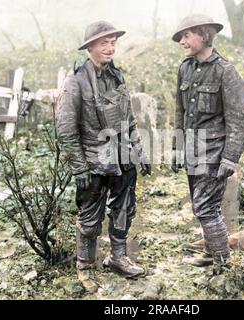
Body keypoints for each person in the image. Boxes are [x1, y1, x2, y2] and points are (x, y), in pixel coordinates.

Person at [56, 21, 151, 293]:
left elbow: (129, 119)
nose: (110, 47)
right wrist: (79, 167)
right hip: (94, 163)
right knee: (89, 218)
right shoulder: (75, 82)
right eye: (103, 43)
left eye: (113, 42)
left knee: (124, 210)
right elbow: (65, 129)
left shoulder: (117, 77)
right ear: (90, 48)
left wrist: (139, 152)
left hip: (123, 159)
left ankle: (118, 257)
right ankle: (84, 266)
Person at [171, 14, 244, 274]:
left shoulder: (226, 73)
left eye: (187, 35)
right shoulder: (185, 68)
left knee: (204, 206)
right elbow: (179, 112)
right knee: (207, 204)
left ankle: (223, 262)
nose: (182, 41)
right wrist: (177, 146)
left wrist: (230, 158)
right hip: (192, 150)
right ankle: (210, 250)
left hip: (215, 152)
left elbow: (240, 122)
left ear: (204, 35)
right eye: (181, 36)